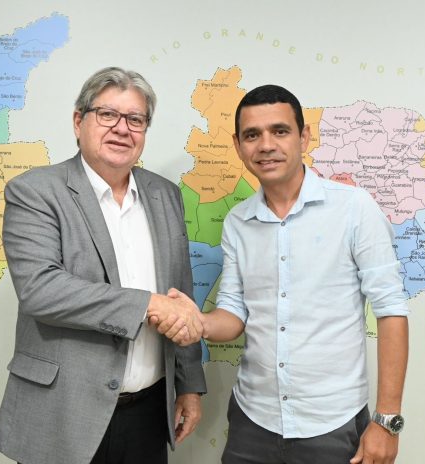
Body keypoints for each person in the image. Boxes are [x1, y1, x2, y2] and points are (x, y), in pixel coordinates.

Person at [168, 84, 409, 464]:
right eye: (252, 135)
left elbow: (391, 310)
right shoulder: (237, 222)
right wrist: (198, 323)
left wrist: (387, 420)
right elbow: (233, 312)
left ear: (304, 136)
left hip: (332, 423)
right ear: (238, 146)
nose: (266, 145)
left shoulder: (354, 209)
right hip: (252, 421)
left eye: (279, 131)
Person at [0, 67, 206, 464]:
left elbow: (181, 292)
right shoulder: (35, 192)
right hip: (62, 413)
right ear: (79, 121)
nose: (122, 128)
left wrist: (189, 384)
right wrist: (149, 304)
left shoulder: (165, 195)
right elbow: (41, 291)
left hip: (148, 415)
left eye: (135, 119)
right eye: (107, 114)